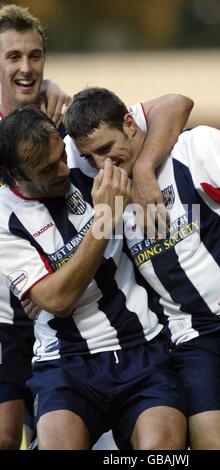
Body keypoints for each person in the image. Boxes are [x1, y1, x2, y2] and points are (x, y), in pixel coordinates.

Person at [64, 87, 220, 450]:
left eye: (107, 149)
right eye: (90, 157)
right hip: (195, 339)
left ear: (130, 124)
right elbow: (102, 264)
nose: (103, 164)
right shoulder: (107, 196)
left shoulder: (196, 147)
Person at [0, 101, 195, 450]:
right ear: (16, 177)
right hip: (64, 363)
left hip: (140, 348)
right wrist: (103, 218)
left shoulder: (79, 155)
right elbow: (57, 300)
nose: (64, 169)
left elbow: (175, 104)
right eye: (48, 169)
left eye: (62, 156)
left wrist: (146, 167)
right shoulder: (4, 220)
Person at [0, 3, 71, 450]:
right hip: (6, 318)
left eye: (35, 56)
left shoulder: (58, 122)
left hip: (59, 311)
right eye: (13, 57)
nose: (26, 68)